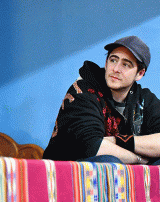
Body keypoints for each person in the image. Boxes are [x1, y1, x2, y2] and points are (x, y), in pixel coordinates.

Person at [43, 36, 160, 165]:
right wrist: (139, 159)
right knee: (109, 162)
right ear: (106, 63)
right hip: (67, 174)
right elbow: (94, 147)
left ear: (140, 74)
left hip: (120, 179)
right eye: (113, 60)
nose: (116, 69)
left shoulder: (145, 99)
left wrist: (119, 141)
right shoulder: (83, 91)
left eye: (126, 64)